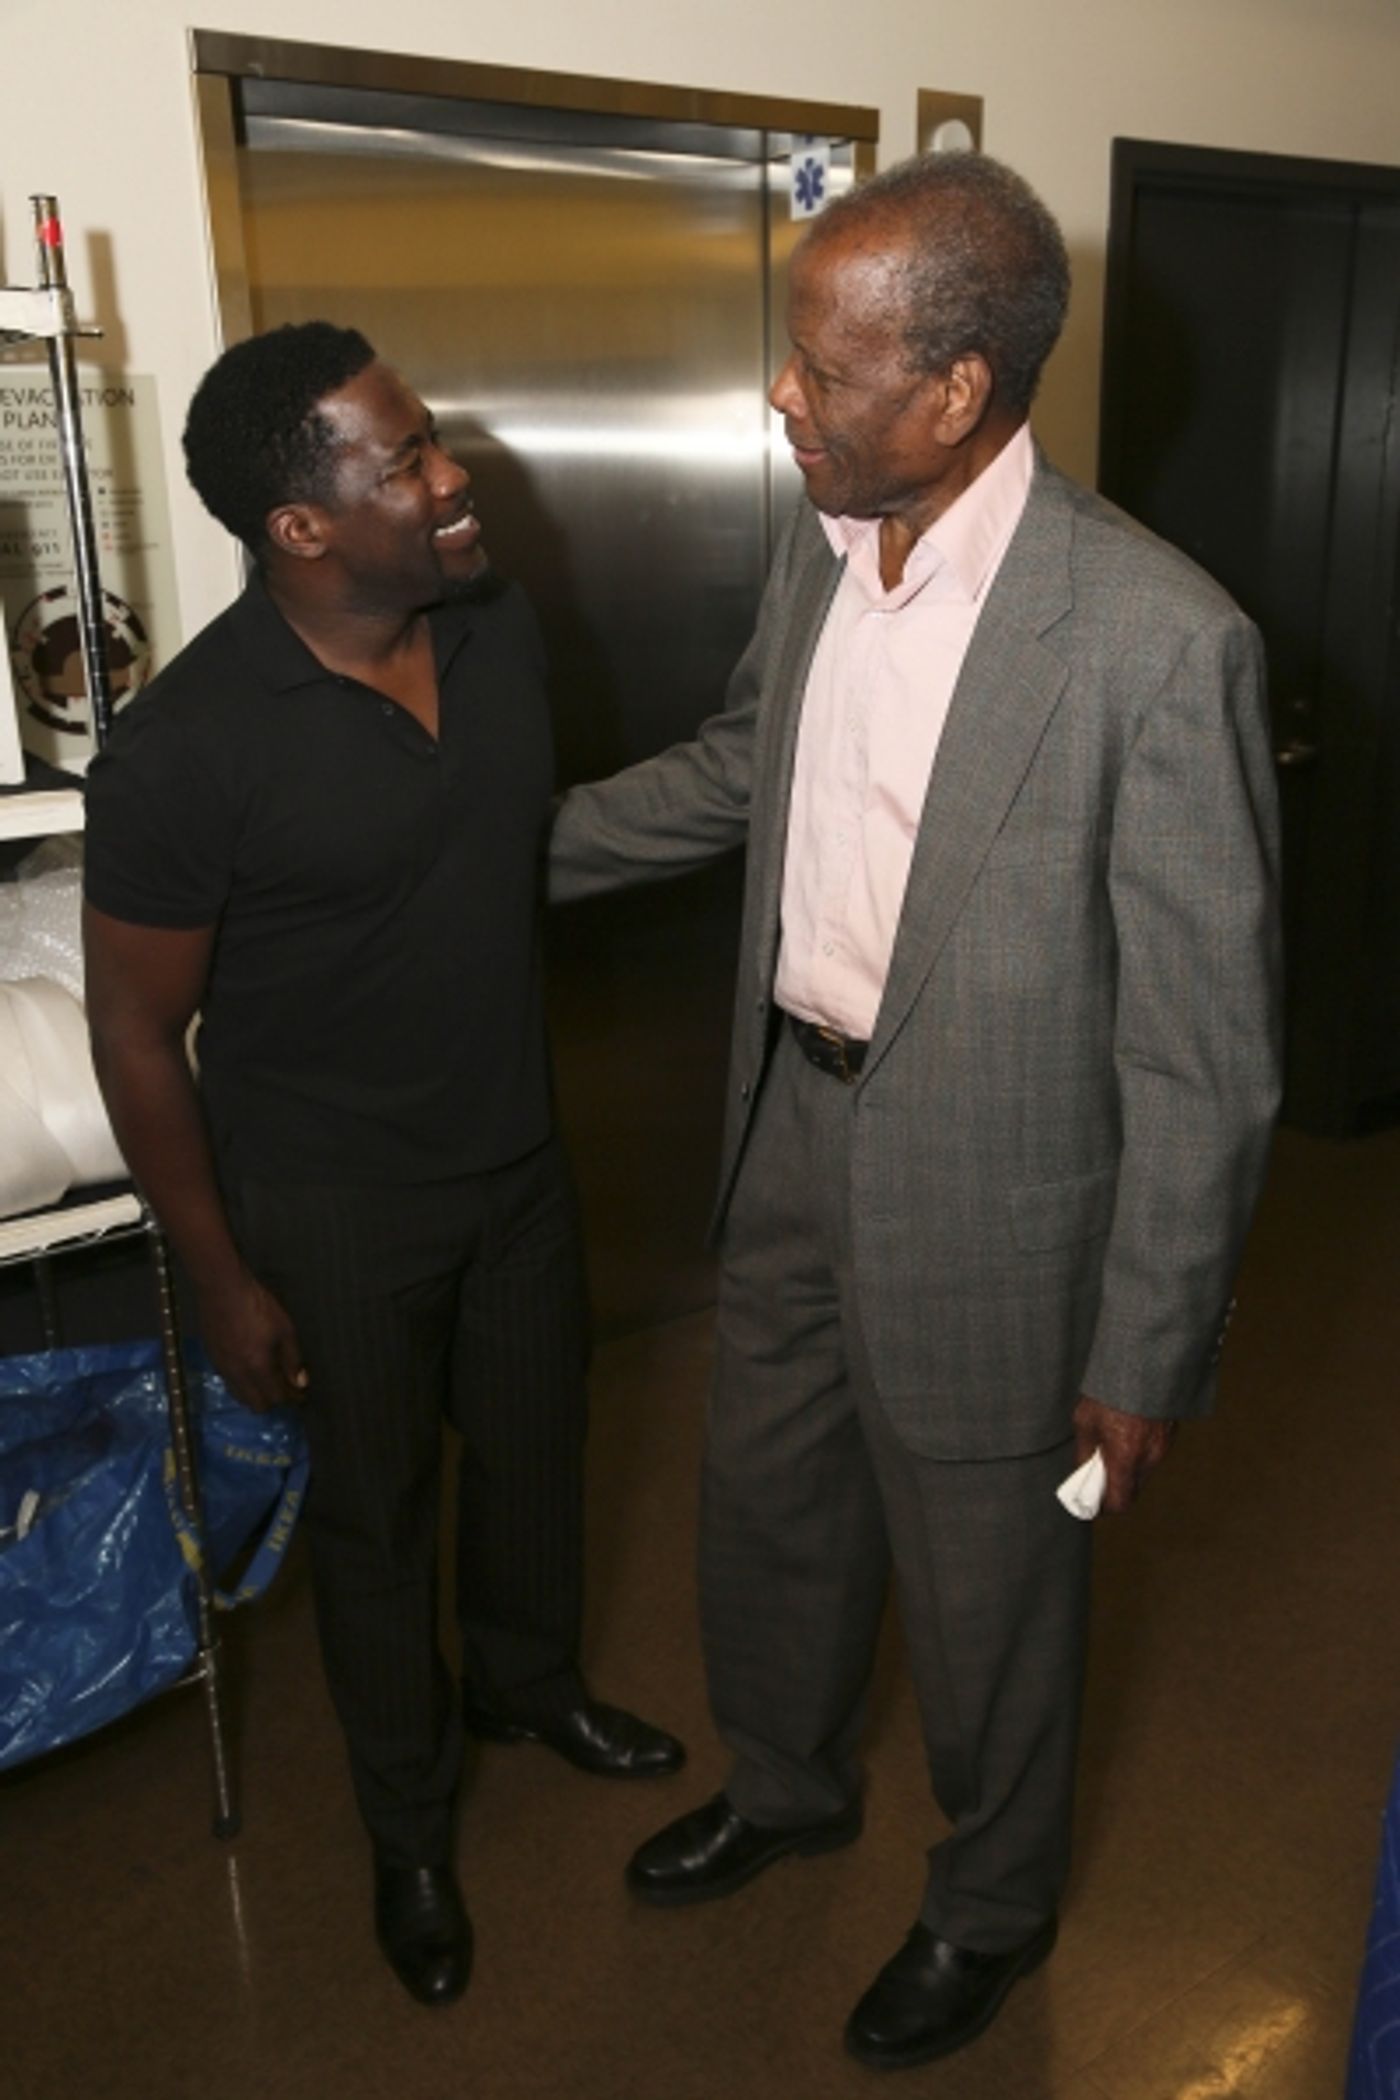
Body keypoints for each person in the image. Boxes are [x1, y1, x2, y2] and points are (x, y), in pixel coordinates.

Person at [550, 153, 1283, 2070]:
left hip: (1003, 1195)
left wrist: (1148, 1345)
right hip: (793, 1123)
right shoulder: (825, 551)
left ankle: (990, 1903)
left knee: (989, 1590)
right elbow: (742, 768)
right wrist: (494, 854)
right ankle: (785, 1783)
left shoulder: (1151, 640)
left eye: (819, 365)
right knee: (768, 1504)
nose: (782, 399)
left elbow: (1210, 1052)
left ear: (955, 392)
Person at [81, 322, 683, 2011]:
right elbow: (138, 1037)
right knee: (375, 1518)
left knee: (539, 1452)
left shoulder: (489, 628)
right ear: (302, 526)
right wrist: (218, 1272)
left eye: (434, 443)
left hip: (516, 1159)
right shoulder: (186, 749)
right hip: (330, 1203)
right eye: (404, 459)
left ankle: (528, 1683)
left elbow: (495, 868)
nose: (449, 475)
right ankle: (410, 1835)